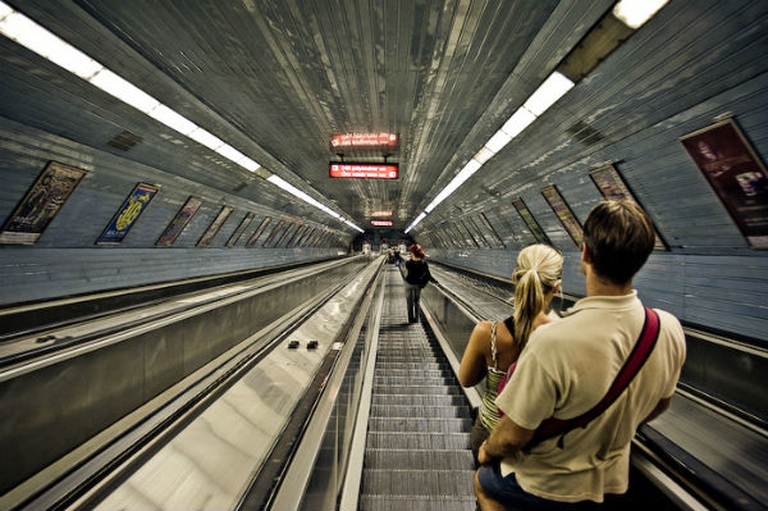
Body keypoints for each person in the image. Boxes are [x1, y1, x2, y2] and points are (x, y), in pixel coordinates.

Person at [475, 199, 686, 510]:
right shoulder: (667, 329)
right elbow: (659, 404)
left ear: (585, 253)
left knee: (484, 483)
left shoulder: (553, 340)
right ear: (642, 259)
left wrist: (487, 451)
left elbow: (512, 436)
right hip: (612, 482)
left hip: (545, 484)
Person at [459, 244, 564, 466]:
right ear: (556, 287)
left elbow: (466, 380)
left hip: (489, 433)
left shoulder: (488, 333)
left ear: (515, 277)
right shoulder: (565, 339)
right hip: (540, 446)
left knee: (485, 484)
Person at [403, 243, 435, 323]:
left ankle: (410, 319)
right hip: (418, 284)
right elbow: (428, 275)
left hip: (408, 283)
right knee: (417, 301)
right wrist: (433, 282)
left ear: (413, 253)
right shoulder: (423, 263)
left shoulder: (408, 263)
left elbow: (409, 270)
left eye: (411, 252)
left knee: (409, 302)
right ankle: (416, 319)